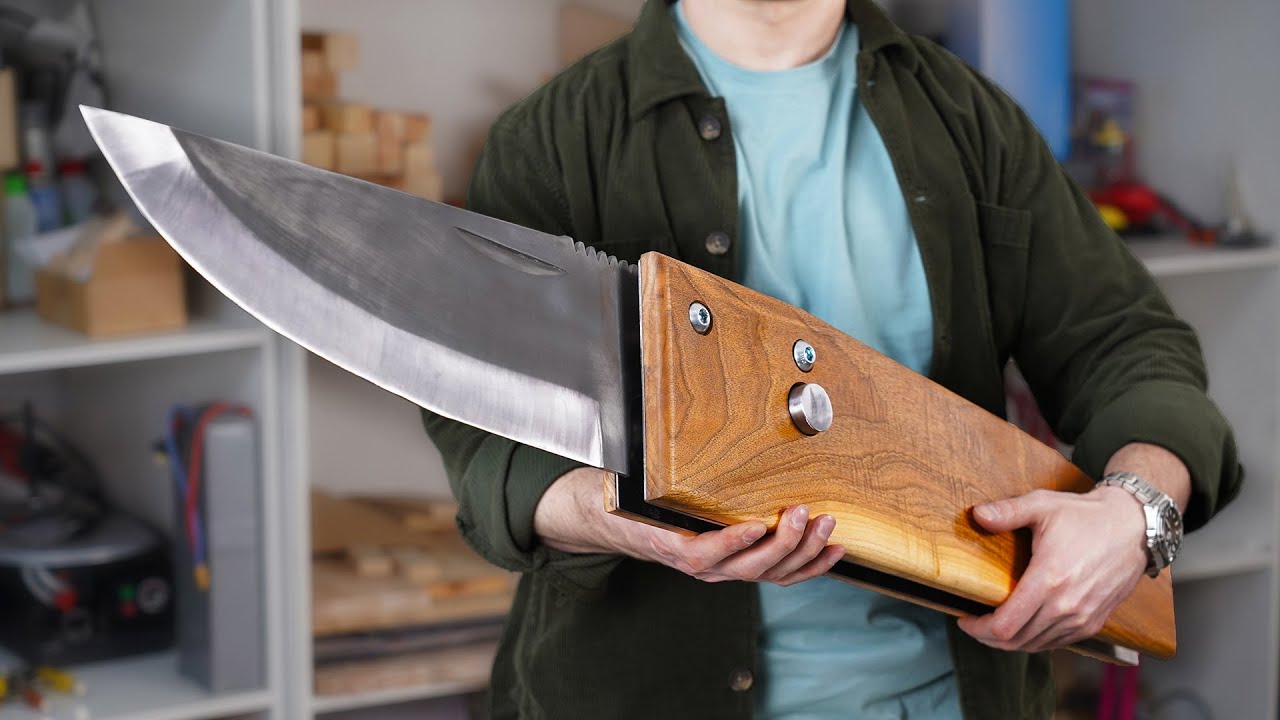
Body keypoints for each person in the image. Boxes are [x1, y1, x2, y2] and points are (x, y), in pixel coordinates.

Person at [422, 0, 1242, 717]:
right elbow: (485, 439)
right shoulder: (552, 140)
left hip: (946, 697)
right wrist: (622, 517)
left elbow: (1128, 345)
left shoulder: (969, 119)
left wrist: (1134, 514)